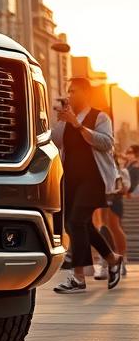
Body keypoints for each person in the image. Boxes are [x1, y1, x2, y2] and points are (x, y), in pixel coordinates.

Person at [52, 79, 124, 293]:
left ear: (85, 93)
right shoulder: (67, 118)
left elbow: (106, 143)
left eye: (73, 91)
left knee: (76, 221)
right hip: (70, 179)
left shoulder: (99, 116)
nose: (69, 95)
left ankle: (78, 277)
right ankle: (113, 259)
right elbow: (56, 142)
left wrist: (77, 124)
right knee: (77, 224)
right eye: (68, 91)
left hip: (93, 179)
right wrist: (60, 122)